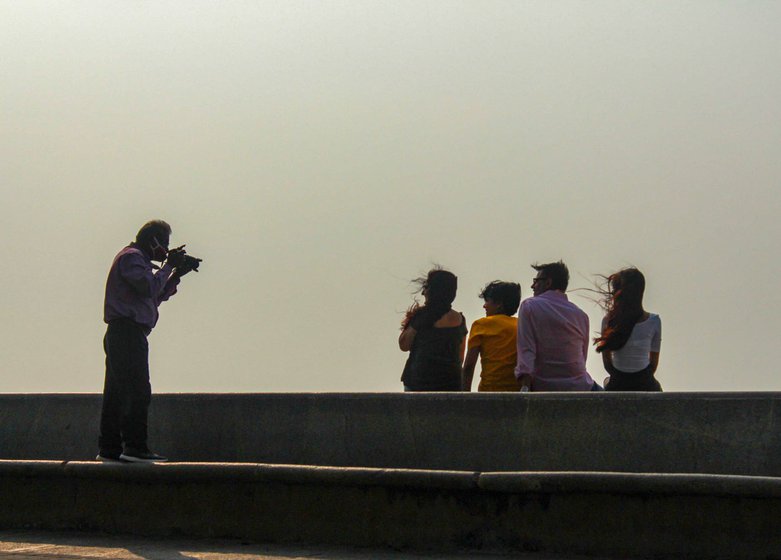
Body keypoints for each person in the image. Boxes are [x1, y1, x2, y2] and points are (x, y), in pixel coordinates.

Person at [97, 220, 199, 463]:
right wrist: (167, 267)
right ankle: (135, 447)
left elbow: (155, 295)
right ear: (152, 240)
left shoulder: (139, 263)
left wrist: (176, 274)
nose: (165, 249)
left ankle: (110, 449)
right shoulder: (132, 257)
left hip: (126, 333)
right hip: (127, 333)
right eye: (164, 243)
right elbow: (147, 287)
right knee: (137, 390)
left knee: (117, 393)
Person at [514, 261, 600, 392]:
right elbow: (582, 357)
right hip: (581, 386)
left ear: (548, 283)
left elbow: (527, 351)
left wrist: (525, 387)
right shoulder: (581, 315)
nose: (532, 285)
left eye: (536, 281)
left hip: (544, 386)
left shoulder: (529, 306)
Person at [399, 268, 467, 391]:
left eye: (426, 288)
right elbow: (460, 356)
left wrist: (415, 323)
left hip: (418, 384)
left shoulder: (422, 316)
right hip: (451, 384)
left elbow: (404, 344)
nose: (423, 293)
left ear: (432, 291)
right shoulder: (459, 320)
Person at [594, 268, 662, 391]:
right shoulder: (654, 321)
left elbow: (607, 364)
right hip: (645, 382)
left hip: (618, 383)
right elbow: (653, 365)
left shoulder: (608, 321)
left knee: (606, 382)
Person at [462, 281, 522, 392]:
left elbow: (469, 366)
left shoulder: (481, 325)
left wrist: (465, 395)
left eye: (487, 301)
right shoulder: (521, 325)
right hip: (516, 391)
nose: (484, 305)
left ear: (499, 303)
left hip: (489, 390)